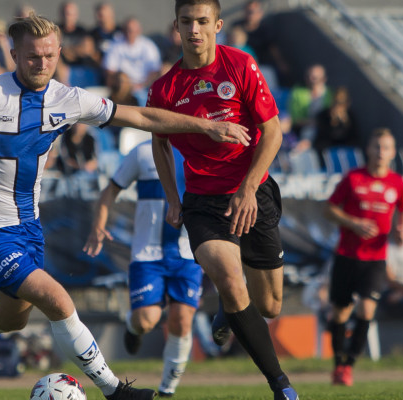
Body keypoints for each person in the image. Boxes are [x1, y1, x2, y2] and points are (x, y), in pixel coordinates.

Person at [0, 13, 249, 400]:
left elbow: (143, 116)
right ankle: (114, 390)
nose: (42, 63)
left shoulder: (69, 99)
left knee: (9, 319)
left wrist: (204, 125)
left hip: (27, 229)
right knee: (58, 301)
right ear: (14, 54)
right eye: (32, 56)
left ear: (59, 52)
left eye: (49, 55)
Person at [147, 1, 298, 399]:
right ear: (176, 27)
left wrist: (248, 188)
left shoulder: (240, 65)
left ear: (217, 25)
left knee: (269, 306)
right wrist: (172, 197)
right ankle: (281, 386)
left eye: (202, 21)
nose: (194, 30)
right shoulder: (164, 89)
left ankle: (228, 311)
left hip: (254, 193)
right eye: (186, 22)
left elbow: (273, 132)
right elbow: (159, 143)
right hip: (204, 203)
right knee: (231, 281)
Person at [84, 140, 202, 397]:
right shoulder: (142, 152)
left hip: (188, 253)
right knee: (145, 321)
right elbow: (111, 189)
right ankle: (132, 325)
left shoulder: (199, 147)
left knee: (182, 320)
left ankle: (167, 390)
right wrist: (98, 224)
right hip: (147, 255)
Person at [324, 128, 403, 386]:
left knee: (366, 308)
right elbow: (328, 209)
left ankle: (348, 366)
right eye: (376, 147)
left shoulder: (396, 182)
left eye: (386, 147)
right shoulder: (353, 178)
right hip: (346, 256)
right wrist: (353, 223)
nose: (381, 152)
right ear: (368, 149)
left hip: (375, 259)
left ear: (393, 152)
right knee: (340, 313)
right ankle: (338, 363)